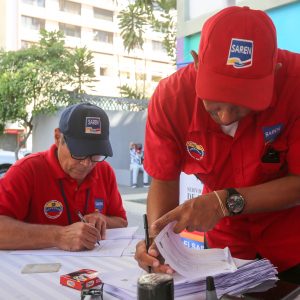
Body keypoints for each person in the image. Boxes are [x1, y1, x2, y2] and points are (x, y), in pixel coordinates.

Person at [135, 6, 300, 284]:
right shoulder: (170, 99)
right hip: (224, 251)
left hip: (292, 243)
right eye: (217, 98)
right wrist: (157, 243)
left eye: (241, 104)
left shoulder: (296, 85)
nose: (225, 116)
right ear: (197, 63)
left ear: (274, 72)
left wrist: (225, 202)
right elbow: (163, 180)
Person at [0, 102, 127, 251]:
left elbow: (122, 222)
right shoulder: (26, 170)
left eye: (96, 154)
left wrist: (103, 220)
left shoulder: (104, 171)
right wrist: (58, 236)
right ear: (57, 137)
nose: (86, 163)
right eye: (79, 153)